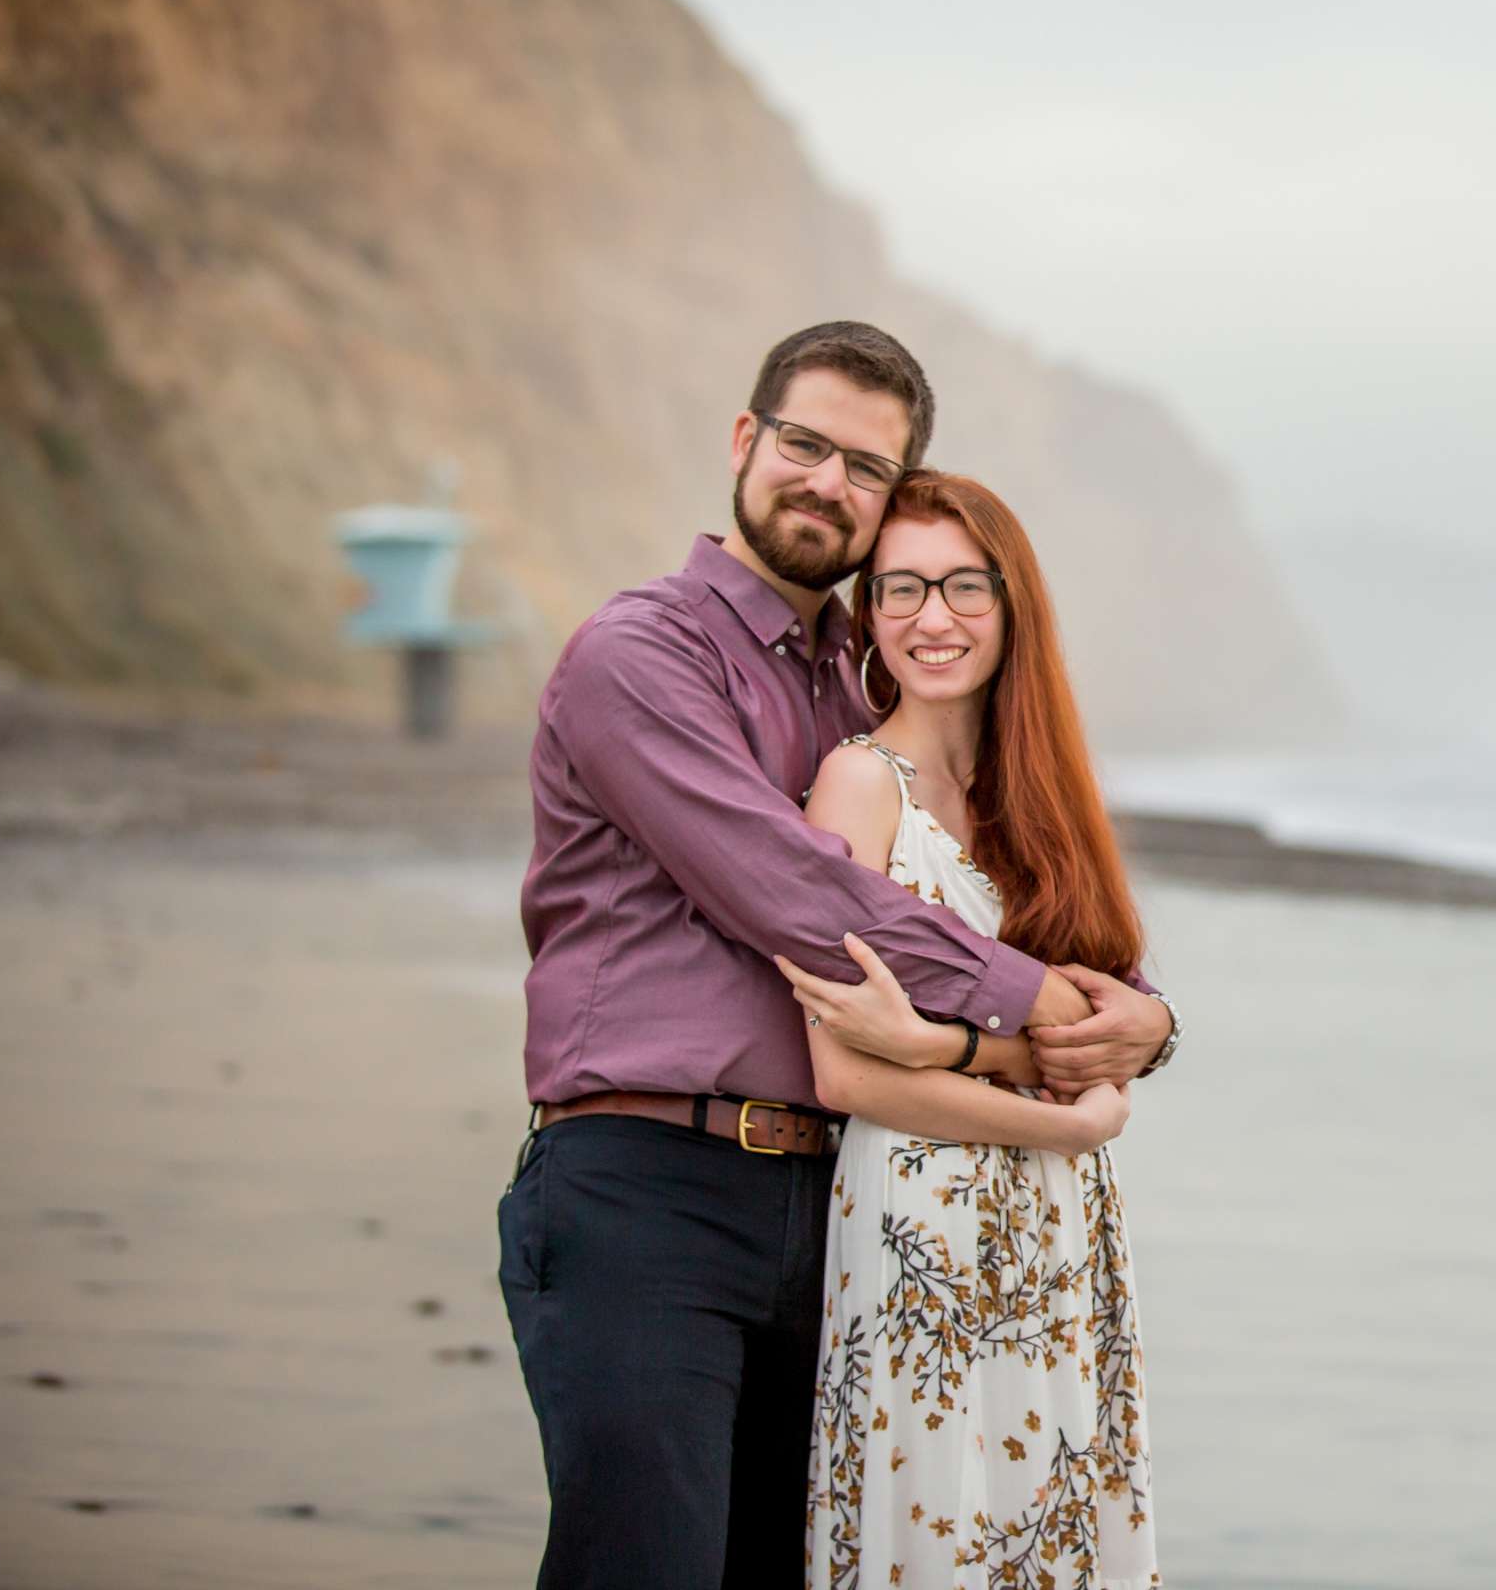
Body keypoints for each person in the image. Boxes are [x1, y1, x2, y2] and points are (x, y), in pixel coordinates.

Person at [500, 321, 1181, 1589]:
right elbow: (800, 897)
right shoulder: (642, 655)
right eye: (806, 444)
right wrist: (1045, 1025)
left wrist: (1146, 1016)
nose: (829, 482)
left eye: (866, 467)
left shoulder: (851, 688)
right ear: (746, 441)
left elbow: (998, 887)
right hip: (646, 1185)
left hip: (840, 1211)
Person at [775, 471, 1160, 1588]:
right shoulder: (856, 785)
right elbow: (845, 1074)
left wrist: (1110, 1084)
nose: (930, 619)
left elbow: (1112, 1026)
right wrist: (1073, 1122)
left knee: (1052, 1534)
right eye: (900, 588)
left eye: (960, 587)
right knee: (937, 1533)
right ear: (868, 614)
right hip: (921, 1227)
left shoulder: (1041, 795)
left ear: (1011, 602)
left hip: (1063, 1229)